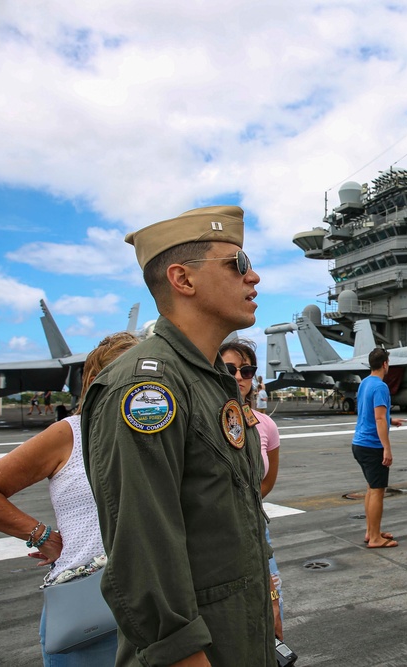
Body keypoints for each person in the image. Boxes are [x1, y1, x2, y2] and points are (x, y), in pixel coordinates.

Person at [80, 205, 274, 666]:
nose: (255, 277)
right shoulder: (148, 389)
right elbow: (141, 550)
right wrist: (183, 654)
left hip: (240, 636)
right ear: (183, 280)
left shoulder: (211, 381)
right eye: (238, 264)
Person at [0, 331, 139, 666]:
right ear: (96, 380)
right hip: (89, 609)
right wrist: (42, 536)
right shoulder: (69, 433)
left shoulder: (155, 435)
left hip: (151, 604)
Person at [219, 338, 284, 641]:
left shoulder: (266, 425)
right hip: (216, 538)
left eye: (247, 371)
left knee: (273, 617)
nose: (239, 377)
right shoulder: (202, 420)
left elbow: (268, 479)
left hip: (256, 530)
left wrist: (248, 503)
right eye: (229, 368)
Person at [352, 347, 404, 548]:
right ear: (385, 364)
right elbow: (379, 417)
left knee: (371, 489)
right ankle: (375, 539)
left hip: (359, 443)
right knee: (377, 492)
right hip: (372, 446)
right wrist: (387, 448)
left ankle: (371, 531)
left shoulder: (365, 383)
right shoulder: (381, 386)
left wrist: (391, 420)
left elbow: (371, 414)